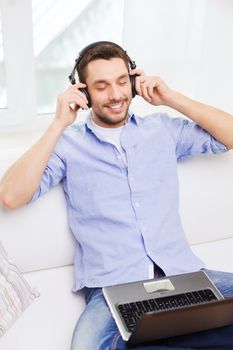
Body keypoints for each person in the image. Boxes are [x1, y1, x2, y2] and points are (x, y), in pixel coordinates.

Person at [0, 41, 233, 350]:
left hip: (185, 276)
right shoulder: (68, 146)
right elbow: (11, 196)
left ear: (134, 82)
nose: (116, 95)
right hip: (113, 291)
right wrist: (58, 123)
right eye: (102, 86)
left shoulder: (162, 130)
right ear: (83, 93)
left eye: (123, 82)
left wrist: (171, 98)